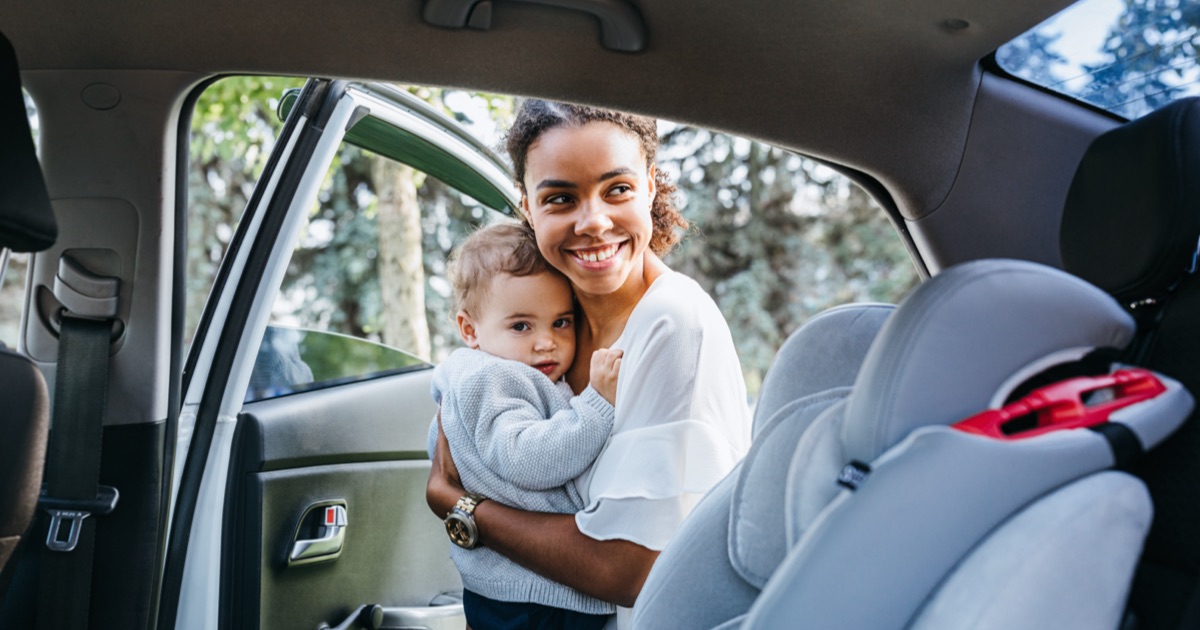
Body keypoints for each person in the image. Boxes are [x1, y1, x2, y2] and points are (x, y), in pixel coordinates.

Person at [427, 100, 752, 628]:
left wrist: (462, 507)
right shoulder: (558, 316)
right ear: (528, 209)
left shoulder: (673, 324)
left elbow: (629, 570)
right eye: (560, 198)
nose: (594, 222)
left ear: (650, 185)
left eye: (617, 189)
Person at [428, 221, 623, 629]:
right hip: (532, 595)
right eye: (521, 326)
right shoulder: (494, 377)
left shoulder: (481, 377)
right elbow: (527, 460)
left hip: (513, 590)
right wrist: (597, 405)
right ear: (470, 330)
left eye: (561, 322)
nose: (545, 342)